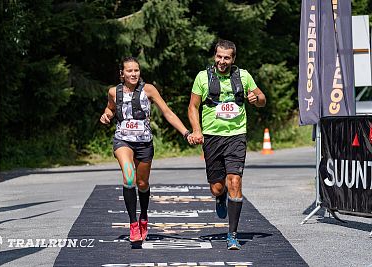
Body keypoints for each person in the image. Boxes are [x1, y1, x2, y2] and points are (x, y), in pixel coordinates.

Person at [100, 57, 193, 244]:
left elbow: (167, 112)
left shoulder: (148, 89)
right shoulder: (113, 92)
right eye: (129, 71)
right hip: (122, 141)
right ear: (122, 74)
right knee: (128, 177)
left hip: (144, 143)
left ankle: (143, 216)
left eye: (136, 70)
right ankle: (133, 224)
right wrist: (106, 115)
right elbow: (111, 109)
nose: (133, 74)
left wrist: (185, 133)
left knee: (142, 183)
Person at [188, 39, 266, 250]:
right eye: (219, 56)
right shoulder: (203, 77)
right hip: (212, 137)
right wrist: (197, 130)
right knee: (217, 187)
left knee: (235, 181)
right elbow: (193, 107)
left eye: (227, 57)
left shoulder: (244, 76)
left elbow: (262, 98)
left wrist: (256, 98)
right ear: (215, 56)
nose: (222, 61)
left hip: (236, 136)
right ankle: (220, 197)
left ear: (233, 59)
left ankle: (232, 234)